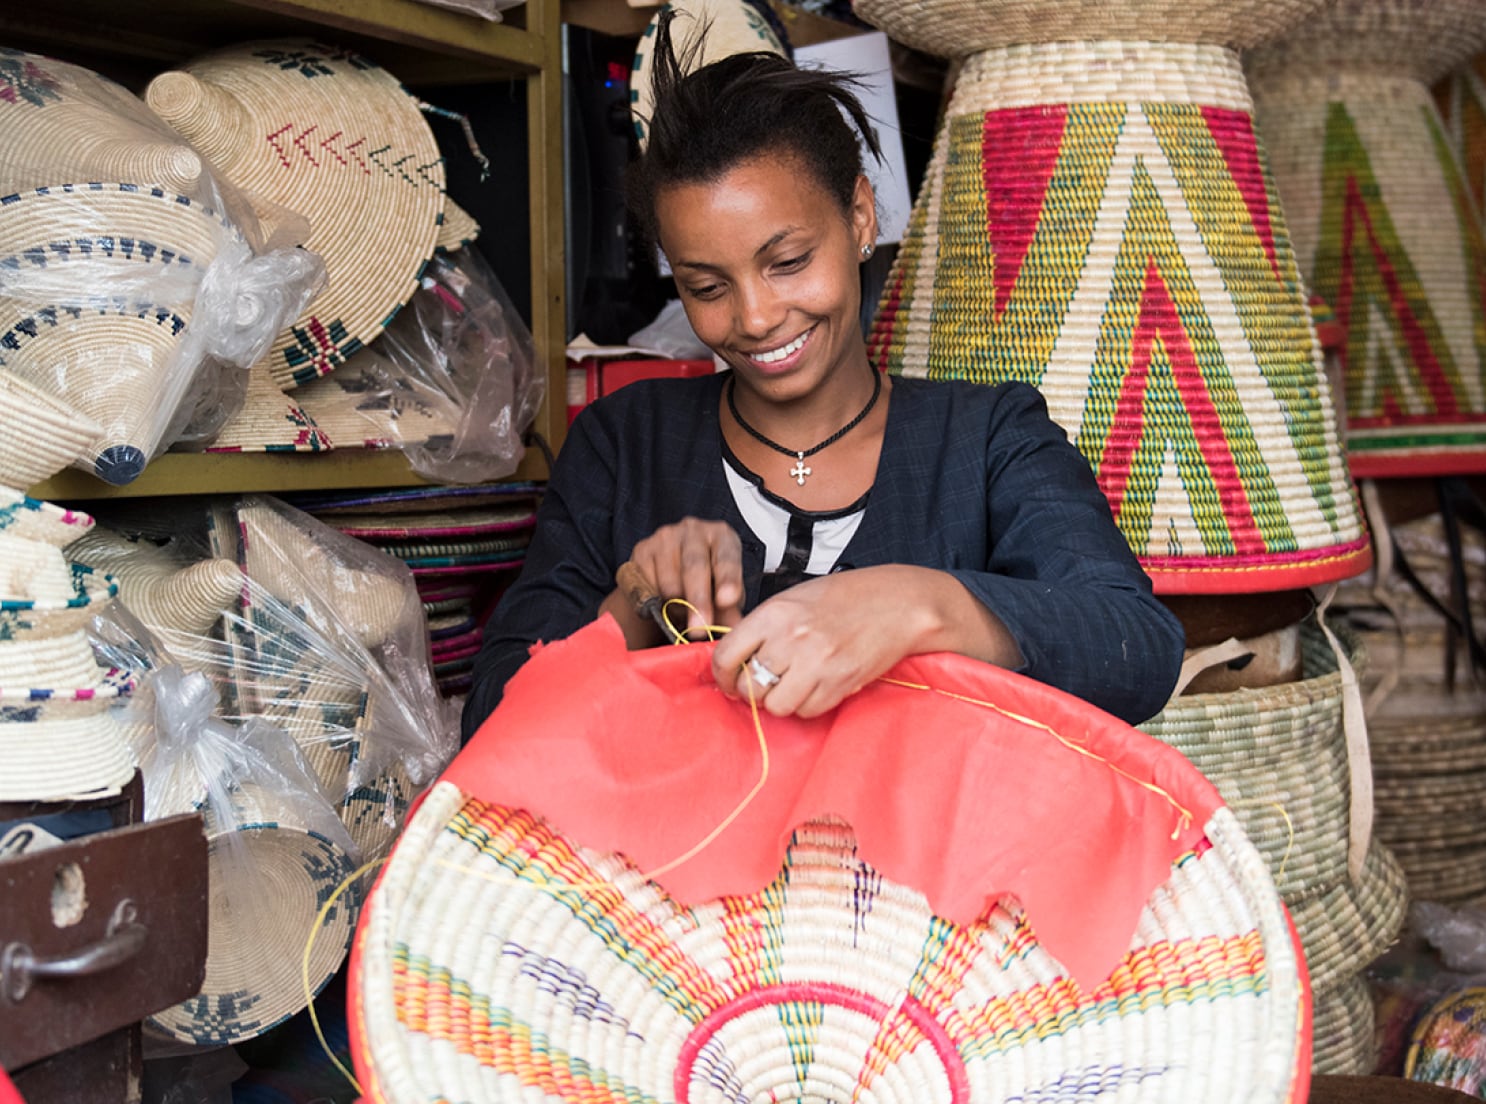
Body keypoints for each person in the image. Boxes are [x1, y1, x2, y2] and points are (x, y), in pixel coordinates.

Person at [461, 12, 1185, 741]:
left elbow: (1137, 647)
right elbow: (494, 717)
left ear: (861, 217)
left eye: (788, 262)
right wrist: (635, 605)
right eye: (706, 287)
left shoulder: (988, 438)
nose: (755, 317)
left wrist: (919, 606)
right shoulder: (624, 445)